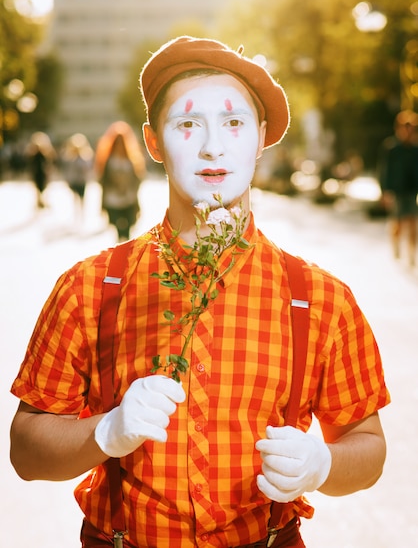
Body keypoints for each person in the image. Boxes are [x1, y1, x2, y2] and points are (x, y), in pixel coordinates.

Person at [10, 36, 390, 548]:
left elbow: (368, 449)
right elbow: (26, 451)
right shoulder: (90, 287)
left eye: (233, 123)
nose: (213, 146)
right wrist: (105, 431)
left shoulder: (320, 299)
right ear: (153, 143)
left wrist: (323, 465)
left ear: (259, 138)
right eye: (188, 124)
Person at [378, 109, 418, 267]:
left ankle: (411, 254)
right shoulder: (391, 148)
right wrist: (384, 192)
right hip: (397, 192)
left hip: (411, 191)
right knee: (398, 224)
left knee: (413, 224)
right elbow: (384, 171)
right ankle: (396, 250)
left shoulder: (415, 149)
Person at [95, 121, 146, 241]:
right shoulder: (108, 161)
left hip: (129, 200)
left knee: (127, 230)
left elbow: (138, 179)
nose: (119, 146)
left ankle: (125, 254)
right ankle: (121, 252)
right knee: (118, 230)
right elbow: (103, 181)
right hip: (113, 200)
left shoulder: (132, 160)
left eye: (121, 142)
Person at [60, 133, 94, 221]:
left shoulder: (85, 157)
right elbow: (68, 170)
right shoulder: (70, 157)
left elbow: (87, 168)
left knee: (82, 197)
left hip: (81, 180)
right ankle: (77, 212)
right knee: (75, 197)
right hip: (75, 180)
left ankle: (82, 212)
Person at [25, 131, 57, 208]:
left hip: (43, 172)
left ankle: (43, 201)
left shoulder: (46, 153)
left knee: (44, 187)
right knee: (38, 188)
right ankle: (39, 201)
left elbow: (51, 161)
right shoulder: (34, 153)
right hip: (37, 172)